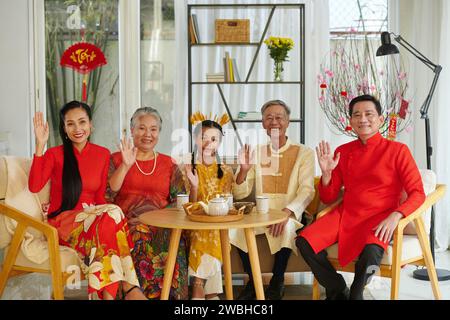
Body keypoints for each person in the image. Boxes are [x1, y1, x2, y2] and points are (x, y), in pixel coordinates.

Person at [296, 94, 426, 300]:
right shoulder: (343, 151)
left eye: (369, 114)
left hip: (381, 217)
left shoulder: (398, 150)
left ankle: (356, 291)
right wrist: (327, 174)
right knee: (304, 241)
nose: (362, 119)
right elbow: (329, 198)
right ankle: (338, 289)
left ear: (380, 119)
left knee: (371, 254)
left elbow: (418, 193)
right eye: (357, 115)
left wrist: (396, 216)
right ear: (350, 122)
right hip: (346, 213)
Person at [28, 101, 146, 300]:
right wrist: (40, 144)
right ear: (64, 128)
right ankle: (129, 289)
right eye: (70, 124)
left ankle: (109, 297)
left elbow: (100, 198)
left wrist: (125, 167)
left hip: (93, 221)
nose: (77, 129)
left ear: (91, 125)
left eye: (82, 122)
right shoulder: (54, 154)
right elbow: (34, 186)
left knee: (110, 219)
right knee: (114, 213)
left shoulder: (102, 154)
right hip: (64, 223)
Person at [231, 100, 315, 300]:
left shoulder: (304, 152)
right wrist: (243, 170)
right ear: (263, 124)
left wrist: (287, 213)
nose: (274, 122)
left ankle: (277, 282)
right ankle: (254, 282)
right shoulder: (257, 152)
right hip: (261, 214)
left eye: (279, 117)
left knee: (286, 229)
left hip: (291, 214)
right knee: (237, 230)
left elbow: (307, 190)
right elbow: (240, 193)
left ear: (287, 122)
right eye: (269, 118)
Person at [108, 107, 188, 300]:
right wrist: (126, 166)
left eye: (153, 129)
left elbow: (180, 200)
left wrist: (159, 218)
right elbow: (107, 194)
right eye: (141, 128)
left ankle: (170, 295)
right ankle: (134, 293)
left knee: (175, 236)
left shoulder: (169, 163)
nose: (148, 134)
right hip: (126, 223)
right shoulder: (116, 159)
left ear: (159, 133)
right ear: (131, 130)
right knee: (138, 234)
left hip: (161, 222)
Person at [181, 114, 234, 300]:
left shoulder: (226, 171)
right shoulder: (187, 167)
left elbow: (227, 204)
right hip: (194, 222)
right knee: (205, 230)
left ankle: (198, 286)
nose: (208, 143)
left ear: (219, 142)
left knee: (214, 230)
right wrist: (194, 186)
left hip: (219, 223)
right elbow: (189, 206)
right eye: (203, 137)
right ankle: (211, 294)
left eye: (213, 139)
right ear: (195, 139)